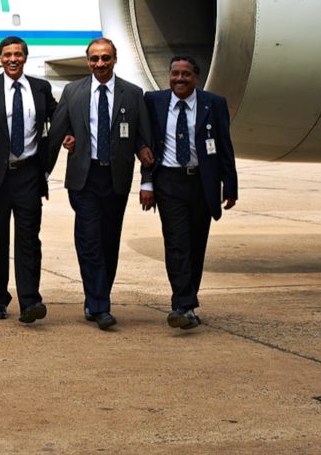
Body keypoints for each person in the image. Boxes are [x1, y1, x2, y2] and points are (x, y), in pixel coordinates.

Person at [48, 37, 152, 330]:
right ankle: (101, 306)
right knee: (90, 240)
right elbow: (57, 131)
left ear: (114, 59)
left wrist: (148, 182)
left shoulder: (132, 94)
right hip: (84, 178)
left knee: (109, 243)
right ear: (87, 61)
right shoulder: (73, 91)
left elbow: (145, 142)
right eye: (94, 59)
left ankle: (96, 297)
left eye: (105, 58)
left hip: (115, 179)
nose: (100, 64)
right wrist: (43, 172)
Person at [140, 55, 238, 330]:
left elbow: (224, 147)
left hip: (201, 183)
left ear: (196, 77)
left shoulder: (213, 104)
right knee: (177, 243)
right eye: (175, 74)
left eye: (185, 74)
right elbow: (146, 146)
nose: (179, 79)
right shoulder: (154, 101)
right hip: (168, 182)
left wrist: (230, 186)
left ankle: (188, 302)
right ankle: (183, 305)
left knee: (196, 245)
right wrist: (146, 183)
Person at [0, 37, 57, 323]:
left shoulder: (40, 88)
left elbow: (57, 120)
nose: (12, 59)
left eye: (18, 54)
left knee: (29, 240)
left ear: (26, 57)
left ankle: (30, 301)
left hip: (28, 175)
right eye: (7, 54)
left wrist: (65, 140)